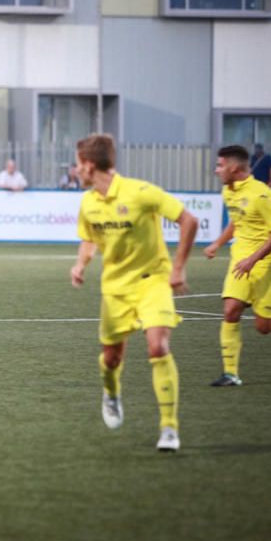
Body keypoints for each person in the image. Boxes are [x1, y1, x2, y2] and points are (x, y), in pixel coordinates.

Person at [70, 134, 197, 453]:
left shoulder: (140, 192)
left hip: (152, 281)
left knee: (158, 347)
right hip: (115, 289)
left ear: (89, 165)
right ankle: (111, 393)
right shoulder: (88, 203)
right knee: (112, 359)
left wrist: (178, 268)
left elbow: (188, 220)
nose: (75, 170)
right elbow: (89, 238)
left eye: (76, 164)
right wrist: (81, 263)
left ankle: (169, 427)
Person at [203, 145, 271, 387]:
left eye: (219, 165)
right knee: (230, 311)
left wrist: (253, 260)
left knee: (264, 327)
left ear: (233, 167)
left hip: (267, 265)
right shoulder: (228, 191)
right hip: (240, 261)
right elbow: (236, 223)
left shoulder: (262, 194)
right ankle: (230, 374)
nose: (216, 171)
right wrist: (217, 243)